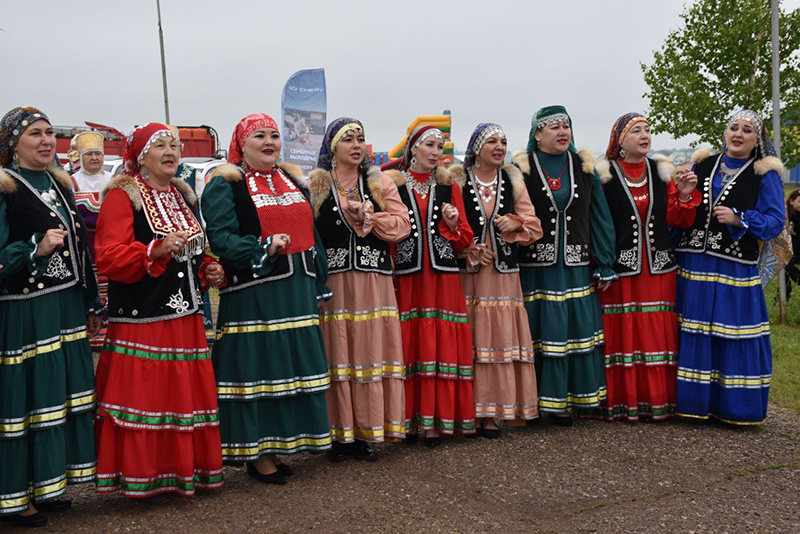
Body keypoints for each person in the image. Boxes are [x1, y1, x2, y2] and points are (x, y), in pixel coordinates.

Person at [94, 123, 224, 501]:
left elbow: (192, 252)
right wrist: (153, 250)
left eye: (175, 145)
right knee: (148, 394)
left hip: (185, 316)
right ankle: (144, 475)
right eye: (161, 145)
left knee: (181, 395)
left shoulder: (182, 196)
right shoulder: (124, 196)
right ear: (140, 156)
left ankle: (182, 472)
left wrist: (207, 271)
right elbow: (108, 257)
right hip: (143, 317)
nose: (171, 151)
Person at [202, 113, 332, 484]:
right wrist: (261, 247)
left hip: (297, 289)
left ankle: (281, 443)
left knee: (289, 368)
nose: (269, 141)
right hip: (256, 290)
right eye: (259, 135)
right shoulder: (225, 182)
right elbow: (221, 236)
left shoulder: (291, 179)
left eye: (274, 135)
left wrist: (318, 276)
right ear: (242, 143)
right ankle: (256, 453)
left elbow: (312, 233)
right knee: (259, 368)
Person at [0, 107, 102, 527]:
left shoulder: (59, 183)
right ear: (12, 143)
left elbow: (81, 250)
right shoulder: (5, 187)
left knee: (57, 398)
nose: (46, 141)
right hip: (27, 310)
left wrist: (91, 301)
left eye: (49, 134)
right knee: (27, 401)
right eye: (34, 135)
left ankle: (47, 484)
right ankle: (14, 495)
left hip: (64, 308)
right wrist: (33, 250)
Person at [671, 110, 785, 425]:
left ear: (757, 140)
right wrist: (683, 193)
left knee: (731, 334)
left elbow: (776, 221)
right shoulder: (702, 164)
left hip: (734, 269)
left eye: (747, 130)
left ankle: (733, 408)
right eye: (733, 127)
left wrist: (740, 218)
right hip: (693, 264)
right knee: (694, 331)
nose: (738, 134)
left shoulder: (765, 174)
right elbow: (679, 210)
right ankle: (692, 404)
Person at [309, 118, 410, 461]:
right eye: (347, 139)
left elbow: (402, 226)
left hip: (372, 280)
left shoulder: (379, 181)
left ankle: (366, 431)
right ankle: (338, 435)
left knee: (368, 352)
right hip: (334, 280)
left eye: (361, 139)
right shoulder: (316, 184)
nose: (356, 144)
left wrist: (371, 217)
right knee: (338, 353)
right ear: (332, 147)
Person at [513, 105, 617, 426]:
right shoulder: (522, 169)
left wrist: (605, 261)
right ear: (537, 134)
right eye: (554, 127)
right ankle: (533, 403)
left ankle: (565, 401)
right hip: (535, 267)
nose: (562, 132)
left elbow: (599, 217)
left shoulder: (584, 168)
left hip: (574, 264)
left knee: (571, 332)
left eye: (566, 127)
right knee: (539, 332)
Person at [382, 125, 476, 446]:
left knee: (441, 344)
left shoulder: (450, 187)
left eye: (440, 146)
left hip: (442, 277)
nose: (436, 152)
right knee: (411, 344)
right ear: (413, 149)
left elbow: (465, 236)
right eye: (430, 145)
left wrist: (451, 225)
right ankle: (408, 420)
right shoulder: (392, 184)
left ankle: (438, 420)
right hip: (408, 278)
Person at [594, 113, 688, 422]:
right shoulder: (604, 174)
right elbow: (598, 221)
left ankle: (658, 401)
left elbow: (676, 219)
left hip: (658, 268)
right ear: (620, 141)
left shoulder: (662, 172)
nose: (645, 135)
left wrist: (685, 196)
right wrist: (601, 262)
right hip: (620, 269)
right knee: (622, 332)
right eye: (636, 131)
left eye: (648, 130)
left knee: (655, 334)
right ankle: (623, 402)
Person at [450, 123, 542, 437]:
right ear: (476, 147)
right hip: (470, 277)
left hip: (504, 275)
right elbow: (445, 227)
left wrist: (513, 221)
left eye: (503, 141)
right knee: (473, 340)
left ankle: (492, 414)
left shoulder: (512, 180)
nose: (500, 146)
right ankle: (468, 411)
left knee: (500, 340)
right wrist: (466, 250)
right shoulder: (457, 181)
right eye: (492, 141)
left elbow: (533, 224)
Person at [166, 125, 216, 345]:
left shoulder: (190, 173)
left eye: (174, 146)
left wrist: (201, 232)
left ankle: (201, 325)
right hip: (164, 236)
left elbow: (198, 205)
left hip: (189, 232)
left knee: (193, 272)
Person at [70, 131, 113, 351]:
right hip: (83, 248)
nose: (94, 158)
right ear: (80, 156)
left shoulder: (112, 181)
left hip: (108, 245)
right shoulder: (71, 183)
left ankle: (110, 336)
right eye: (89, 154)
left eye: (98, 154)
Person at [785, 189, 800, 300]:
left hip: (796, 250)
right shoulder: (784, 214)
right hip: (785, 251)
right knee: (785, 274)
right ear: (791, 201)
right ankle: (781, 299)